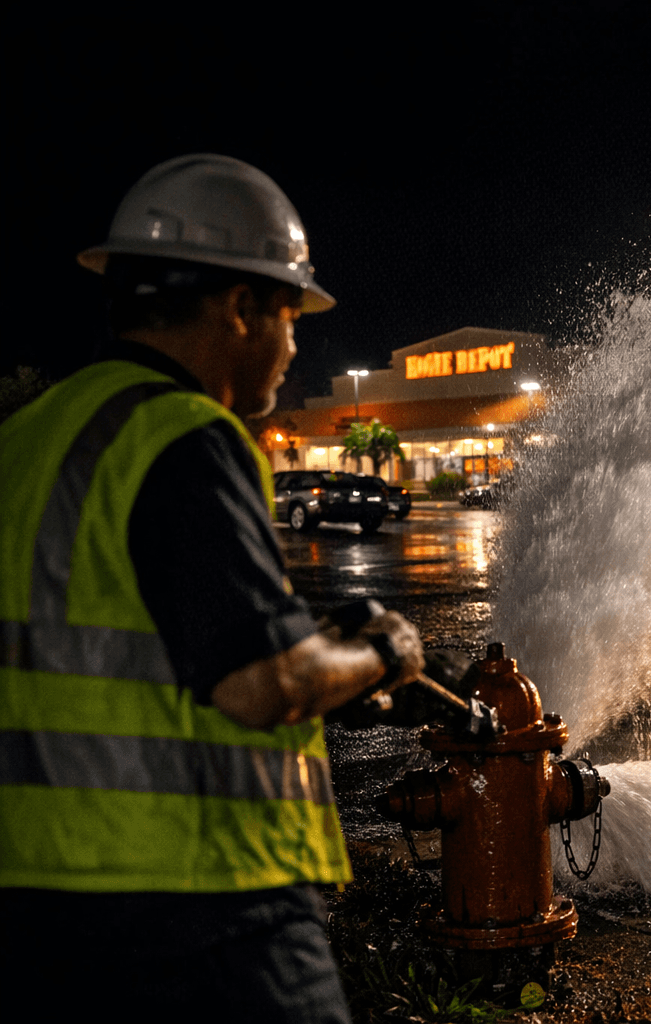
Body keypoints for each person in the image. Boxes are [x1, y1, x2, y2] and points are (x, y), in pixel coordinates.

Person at [0, 154, 425, 1022]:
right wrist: (385, 652)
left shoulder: (27, 442)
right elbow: (259, 682)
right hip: (201, 898)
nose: (295, 344)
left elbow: (123, 638)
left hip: (34, 908)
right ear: (241, 309)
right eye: (291, 316)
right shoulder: (182, 434)